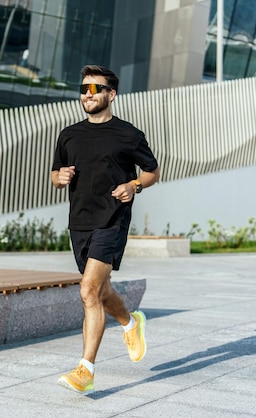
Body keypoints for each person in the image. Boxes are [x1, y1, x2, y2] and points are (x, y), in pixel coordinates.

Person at [51, 65, 160, 394]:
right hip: (80, 222)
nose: (88, 94)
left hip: (112, 219)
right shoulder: (69, 134)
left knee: (87, 292)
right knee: (100, 291)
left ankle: (86, 369)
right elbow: (55, 174)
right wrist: (60, 178)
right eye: (84, 89)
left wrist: (133, 185)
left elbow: (152, 172)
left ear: (111, 94)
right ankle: (131, 322)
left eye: (96, 89)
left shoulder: (128, 135)